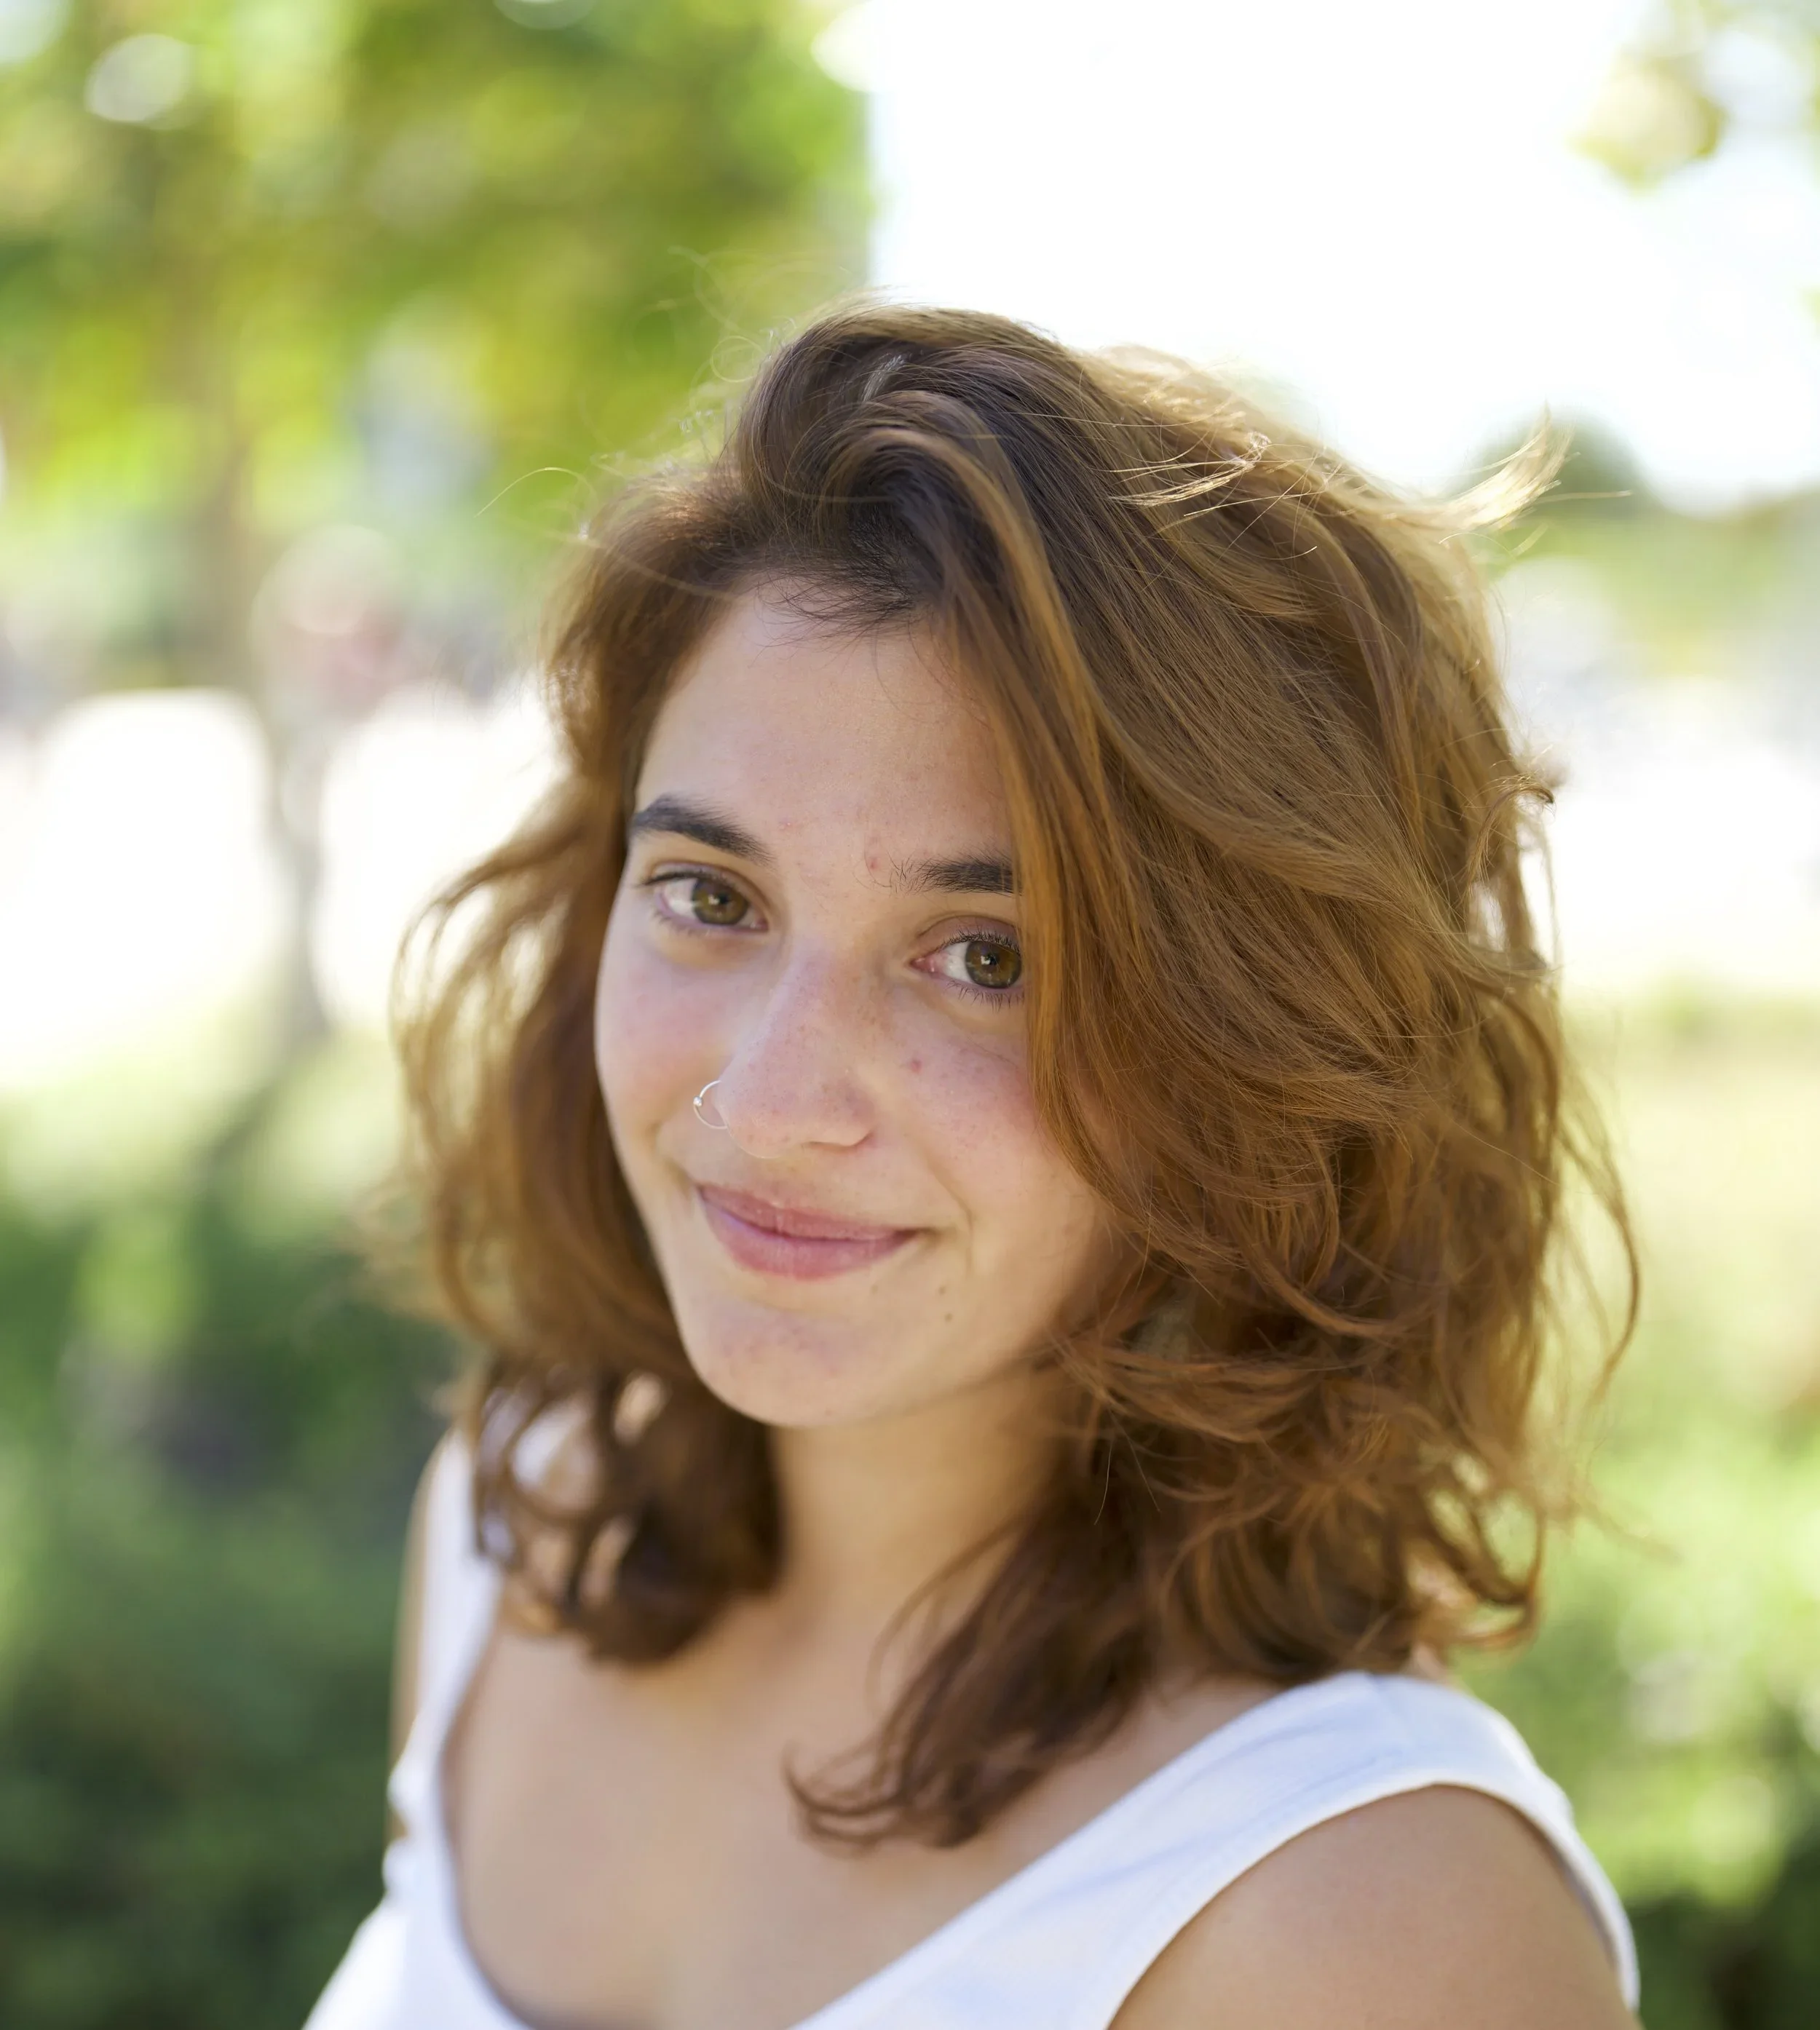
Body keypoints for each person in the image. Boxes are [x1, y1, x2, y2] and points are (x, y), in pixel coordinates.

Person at [306, 303, 1641, 2030]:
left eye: (986, 957)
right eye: (711, 895)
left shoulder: (1366, 1916)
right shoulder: (520, 1534)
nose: (770, 1100)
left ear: (1250, 1050)